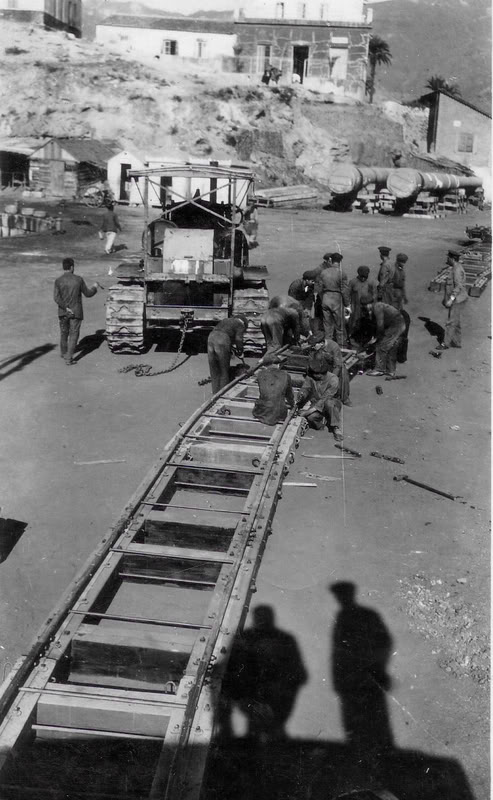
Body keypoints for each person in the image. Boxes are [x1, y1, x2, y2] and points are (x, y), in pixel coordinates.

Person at [53, 257, 98, 365]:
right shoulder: (78, 279)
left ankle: (64, 353)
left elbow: (56, 298)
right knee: (74, 334)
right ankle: (69, 358)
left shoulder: (58, 281)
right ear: (72, 267)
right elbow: (88, 294)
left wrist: (65, 307)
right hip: (76, 312)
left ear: (64, 267)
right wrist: (95, 287)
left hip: (63, 312)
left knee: (64, 333)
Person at [294, 355, 344, 442]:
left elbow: (325, 398)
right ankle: (324, 421)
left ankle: (336, 427)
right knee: (311, 418)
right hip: (316, 404)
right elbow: (306, 388)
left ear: (322, 373)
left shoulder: (333, 379)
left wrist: (307, 412)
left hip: (331, 403)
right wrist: (302, 394)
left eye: (317, 375)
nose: (315, 377)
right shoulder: (311, 377)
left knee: (329, 403)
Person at [315, 252, 350, 347]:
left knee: (327, 326)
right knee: (340, 326)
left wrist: (323, 299)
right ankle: (342, 346)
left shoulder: (323, 272)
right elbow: (344, 290)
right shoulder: (342, 273)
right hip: (336, 300)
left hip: (325, 299)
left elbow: (319, 289)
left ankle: (328, 346)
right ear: (340, 261)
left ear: (331, 260)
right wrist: (347, 304)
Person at [207, 315, 249, 394]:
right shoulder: (240, 325)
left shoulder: (226, 320)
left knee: (214, 370)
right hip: (222, 339)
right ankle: (223, 394)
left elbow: (228, 333)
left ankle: (215, 393)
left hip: (211, 337)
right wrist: (240, 352)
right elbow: (238, 339)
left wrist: (231, 348)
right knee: (224, 370)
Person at [306, 332, 351, 406]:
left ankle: (345, 399)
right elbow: (311, 361)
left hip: (335, 367)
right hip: (322, 367)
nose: (313, 347)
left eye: (314, 346)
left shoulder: (333, 346)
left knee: (342, 375)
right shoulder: (314, 348)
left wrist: (331, 379)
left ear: (321, 343)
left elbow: (337, 365)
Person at [435, 250, 468, 351]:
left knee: (451, 322)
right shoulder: (455, 267)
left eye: (448, 258)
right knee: (456, 322)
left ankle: (446, 343)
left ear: (452, 259)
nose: (447, 259)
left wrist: (451, 299)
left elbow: (458, 286)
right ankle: (457, 342)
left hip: (457, 300)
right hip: (459, 299)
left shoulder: (456, 270)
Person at [253, 353, 295, 425]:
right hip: (280, 412)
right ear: (278, 364)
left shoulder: (260, 374)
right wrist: (293, 406)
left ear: (265, 366)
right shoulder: (286, 375)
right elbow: (289, 396)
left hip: (263, 411)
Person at [366, 301, 406, 377]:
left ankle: (379, 369)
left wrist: (376, 338)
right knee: (391, 346)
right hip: (400, 324)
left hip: (396, 326)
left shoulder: (377, 308)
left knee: (381, 346)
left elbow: (380, 325)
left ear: (369, 304)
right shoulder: (380, 305)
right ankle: (390, 370)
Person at [348, 265, 378, 343]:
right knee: (355, 322)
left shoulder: (371, 282)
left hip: (368, 307)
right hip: (356, 307)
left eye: (365, 277)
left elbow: (375, 294)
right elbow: (347, 294)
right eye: (361, 276)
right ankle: (352, 337)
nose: (363, 278)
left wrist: (372, 306)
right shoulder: (353, 282)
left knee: (368, 323)